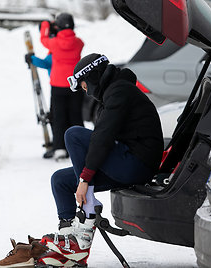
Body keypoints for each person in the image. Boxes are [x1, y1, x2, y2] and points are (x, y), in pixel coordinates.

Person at [36, 53, 164, 266]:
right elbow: (101, 140)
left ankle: (88, 211)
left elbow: (102, 137)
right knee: (60, 180)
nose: (86, 93)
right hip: (125, 161)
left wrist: (85, 180)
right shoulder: (111, 95)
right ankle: (71, 245)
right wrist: (84, 178)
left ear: (93, 78)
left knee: (73, 134)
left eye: (85, 87)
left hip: (136, 163)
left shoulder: (120, 91)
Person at [38, 13, 85, 160]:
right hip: (75, 84)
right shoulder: (79, 43)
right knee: (76, 116)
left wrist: (46, 25)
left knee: (59, 117)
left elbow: (43, 39)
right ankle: (80, 146)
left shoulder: (54, 43)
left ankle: (60, 148)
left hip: (58, 85)